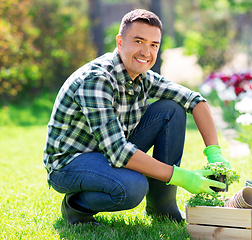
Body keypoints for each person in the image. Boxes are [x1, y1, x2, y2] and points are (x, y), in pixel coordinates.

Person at [43, 9, 232, 225]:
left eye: (153, 45)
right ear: (120, 42)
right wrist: (182, 177)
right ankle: (76, 206)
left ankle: (163, 207)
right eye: (139, 41)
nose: (146, 52)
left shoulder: (143, 77)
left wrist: (214, 153)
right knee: (133, 187)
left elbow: (194, 100)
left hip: (107, 152)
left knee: (172, 109)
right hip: (70, 163)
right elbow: (118, 152)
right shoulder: (96, 80)